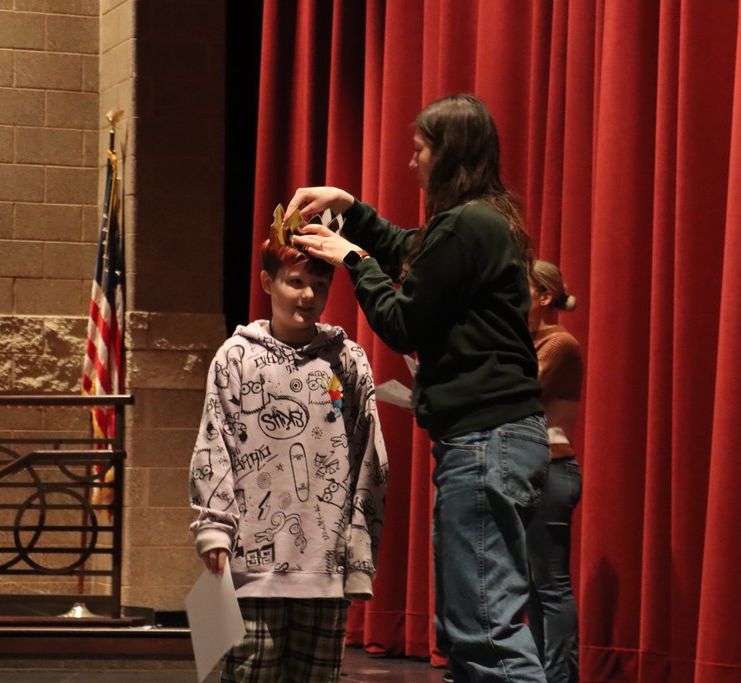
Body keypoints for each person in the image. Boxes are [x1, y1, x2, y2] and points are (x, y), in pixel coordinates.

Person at [286, 93, 550, 683]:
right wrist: (351, 210)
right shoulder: (479, 221)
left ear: (448, 153)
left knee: (486, 632)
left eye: (420, 150)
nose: (412, 163)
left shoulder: (467, 223)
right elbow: (415, 251)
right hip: (490, 439)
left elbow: (404, 319)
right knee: (468, 630)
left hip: (487, 438)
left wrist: (353, 257)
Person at [188, 209, 389, 683]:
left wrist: (358, 553)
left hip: (325, 566)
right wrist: (214, 529)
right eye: (296, 282)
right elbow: (214, 443)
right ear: (266, 282)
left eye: (320, 286)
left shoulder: (347, 360)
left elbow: (369, 457)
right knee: (249, 673)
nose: (308, 296)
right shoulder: (236, 357)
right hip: (254, 564)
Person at [525, 259, 583, 683]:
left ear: (544, 296)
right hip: (529, 467)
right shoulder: (522, 340)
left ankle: (559, 677)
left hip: (553, 467)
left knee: (550, 584)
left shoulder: (560, 343)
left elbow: (520, 390)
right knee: (532, 586)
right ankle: (545, 673)